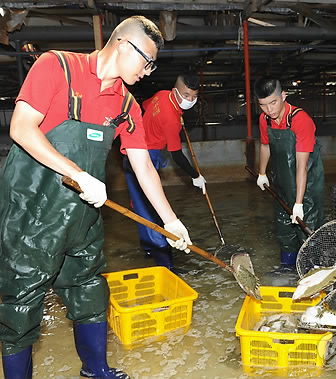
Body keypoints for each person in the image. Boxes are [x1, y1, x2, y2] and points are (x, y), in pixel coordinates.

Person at [0, 16, 192, 379]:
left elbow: (144, 168)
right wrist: (77, 173)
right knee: (21, 307)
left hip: (82, 217)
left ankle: (96, 369)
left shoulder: (126, 106)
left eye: (153, 65)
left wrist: (170, 221)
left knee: (90, 293)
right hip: (31, 213)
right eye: (146, 61)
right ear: (122, 45)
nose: (149, 72)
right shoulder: (57, 66)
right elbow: (21, 128)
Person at [124, 73, 205, 270]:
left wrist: (153, 125)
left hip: (132, 151)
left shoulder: (162, 95)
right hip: (144, 157)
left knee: (142, 206)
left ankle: (149, 250)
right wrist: (195, 175)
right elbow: (177, 155)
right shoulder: (172, 121)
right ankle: (165, 265)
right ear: (176, 91)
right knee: (153, 209)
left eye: (194, 96)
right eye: (186, 95)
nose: (190, 101)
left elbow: (144, 106)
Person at [254, 77, 324, 268]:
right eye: (263, 105)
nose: (269, 110)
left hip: (306, 190)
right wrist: (262, 173)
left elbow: (302, 165)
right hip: (281, 187)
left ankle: (312, 275)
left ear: (283, 96)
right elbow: (265, 145)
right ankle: (287, 272)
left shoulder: (301, 120)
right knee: (284, 232)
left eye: (273, 102)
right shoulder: (265, 119)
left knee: (308, 236)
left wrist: (299, 203)